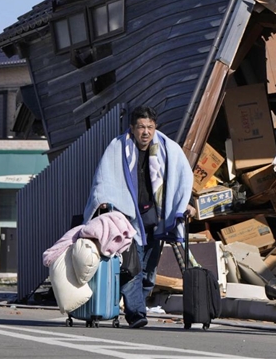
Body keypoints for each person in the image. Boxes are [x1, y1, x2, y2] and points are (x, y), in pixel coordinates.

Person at [83, 106, 194, 328]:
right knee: (133, 266)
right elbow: (104, 177)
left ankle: (137, 306)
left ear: (155, 127)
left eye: (150, 127)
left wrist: (185, 203)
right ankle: (136, 313)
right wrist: (103, 200)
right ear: (132, 128)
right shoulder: (117, 147)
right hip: (127, 217)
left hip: (155, 216)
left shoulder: (168, 149)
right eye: (141, 127)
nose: (146, 132)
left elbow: (181, 178)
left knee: (149, 272)